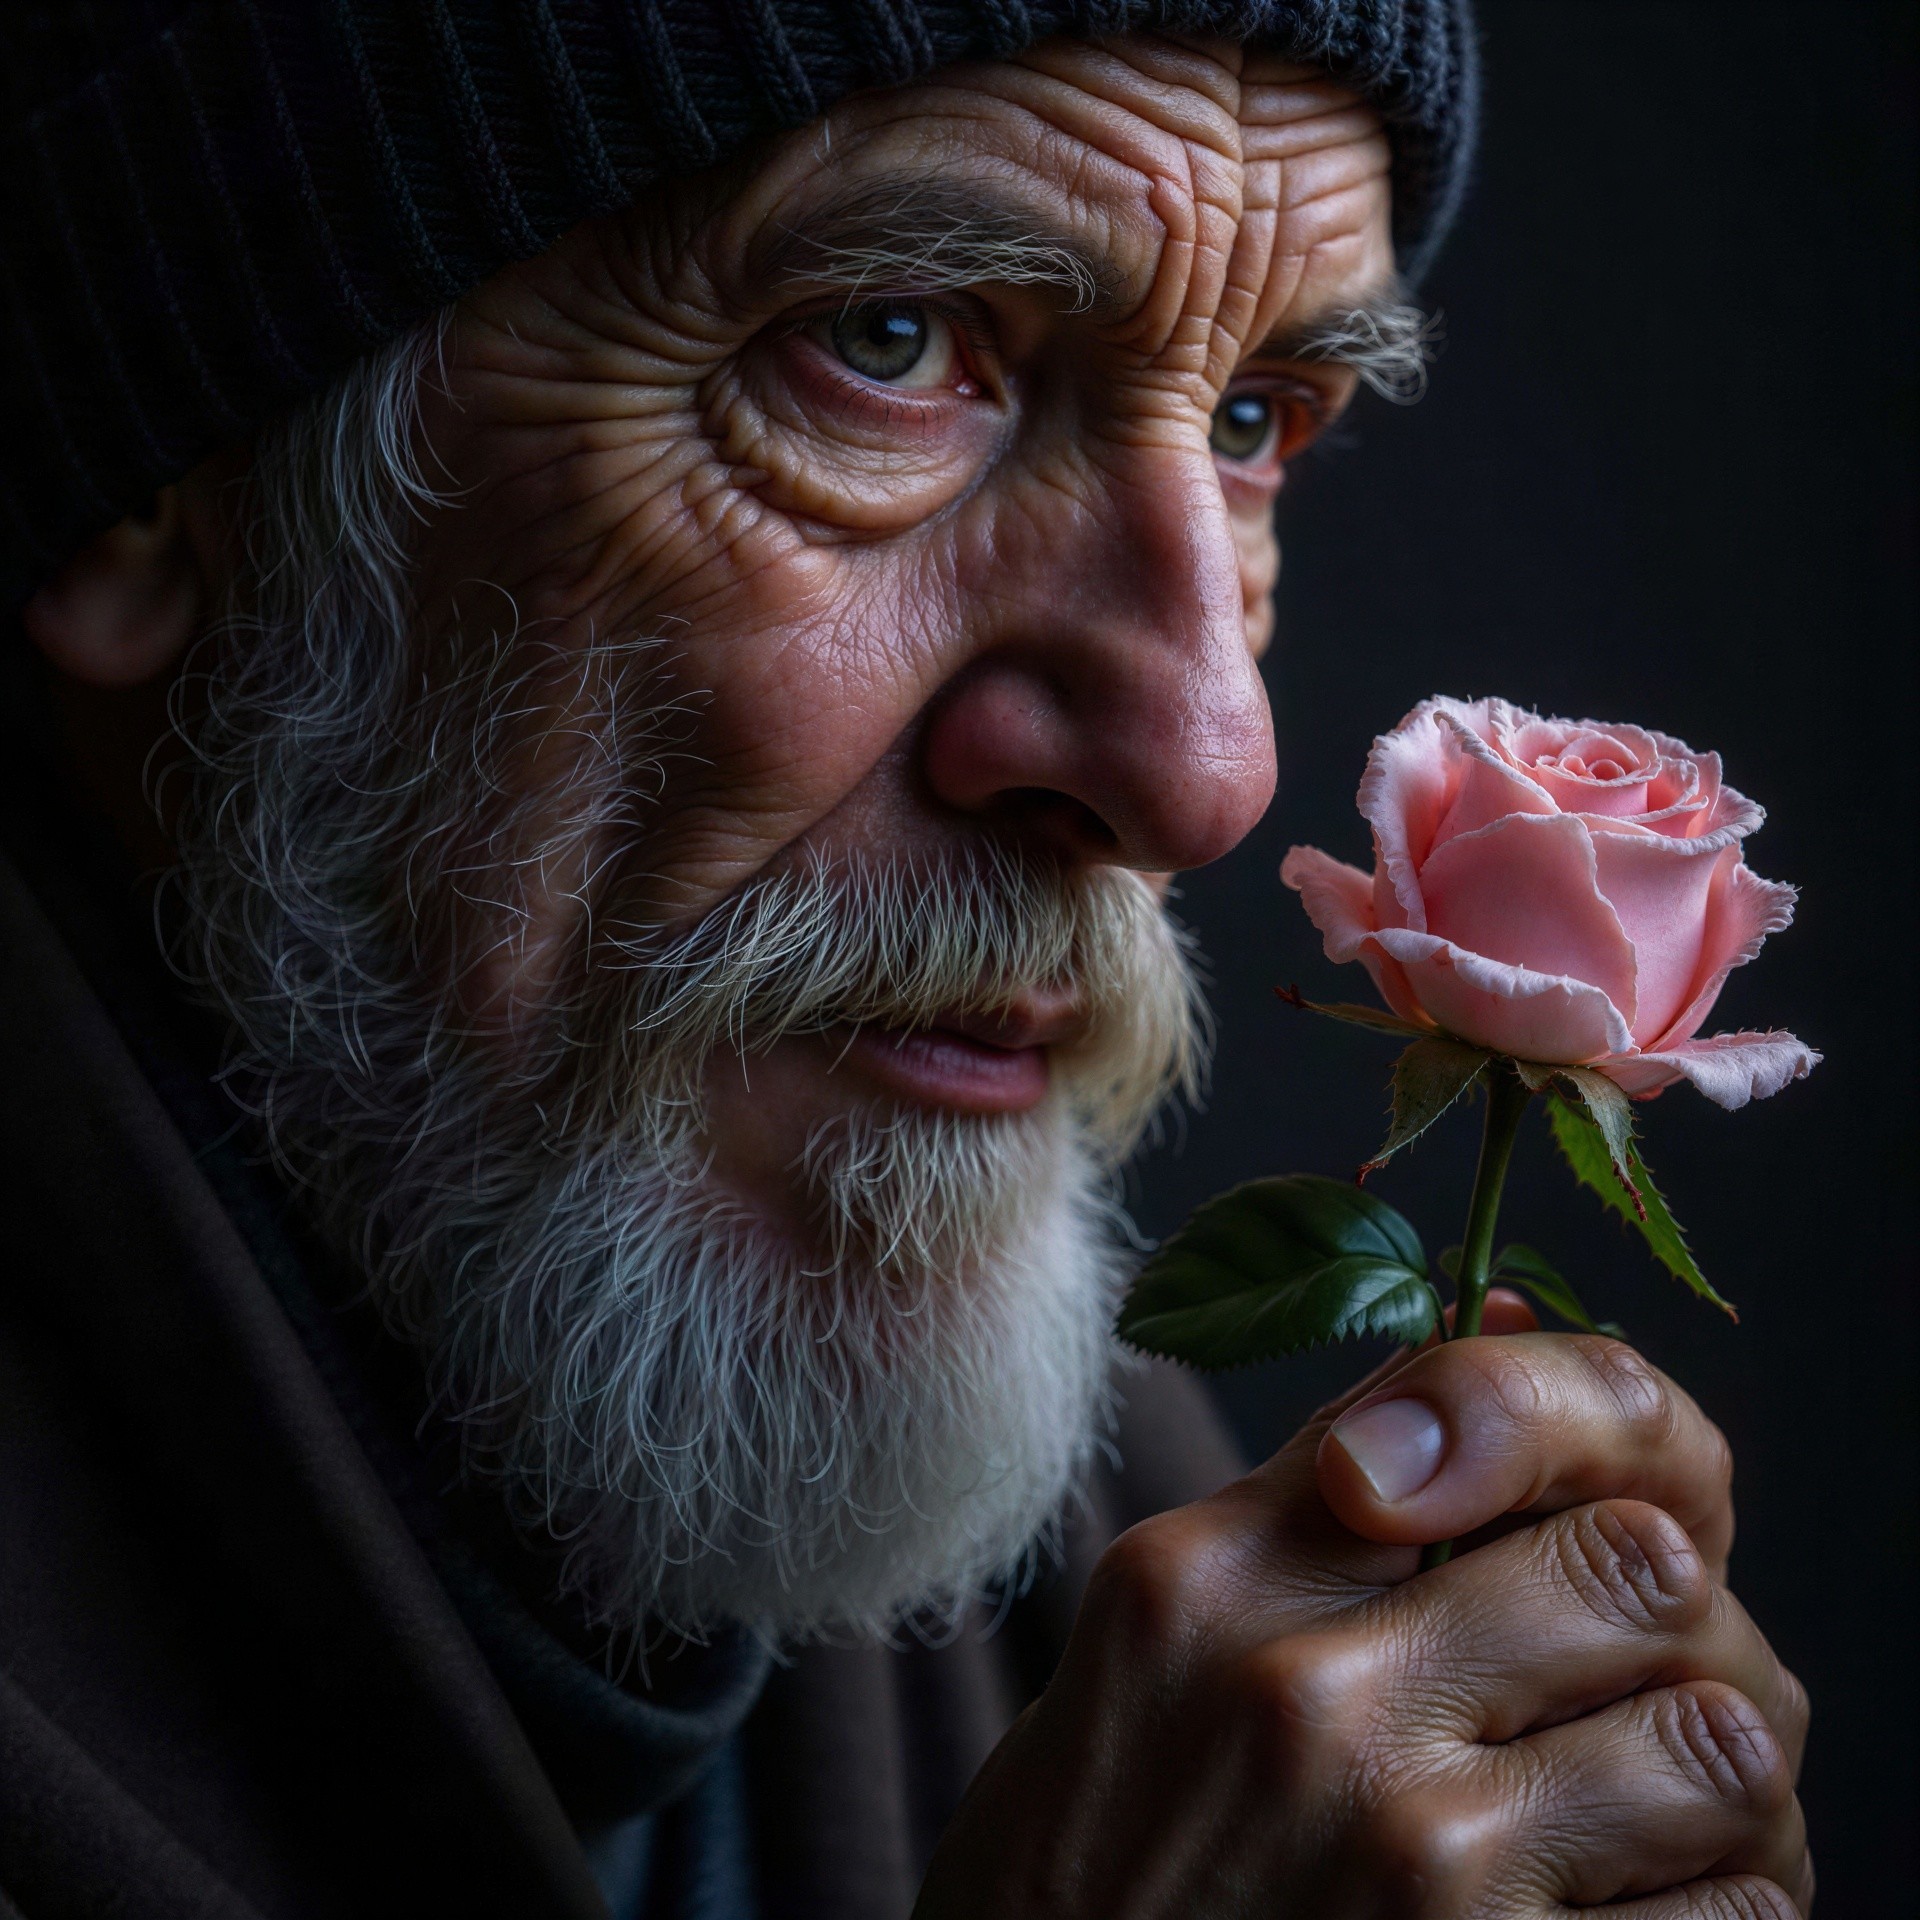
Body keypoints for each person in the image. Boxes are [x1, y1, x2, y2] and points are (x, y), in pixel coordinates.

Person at [0, 3, 1812, 1914]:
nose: (1206, 766)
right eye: (888, 343)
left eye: (1258, 419)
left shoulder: (1150, 1595)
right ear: (155, 472)